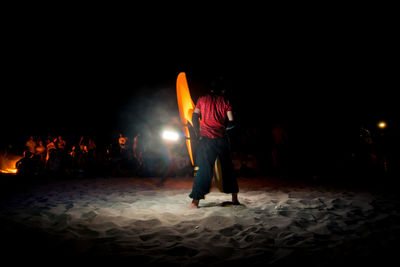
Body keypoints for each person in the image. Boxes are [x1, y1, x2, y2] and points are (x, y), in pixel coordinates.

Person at [188, 79, 239, 209]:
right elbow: (232, 122)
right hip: (222, 139)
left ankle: (195, 202)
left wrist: (197, 132)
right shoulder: (225, 101)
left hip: (205, 139)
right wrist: (224, 130)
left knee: (203, 169)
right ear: (222, 90)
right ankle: (235, 199)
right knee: (228, 168)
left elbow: (194, 117)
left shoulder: (202, 99)